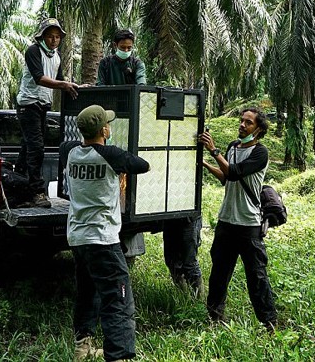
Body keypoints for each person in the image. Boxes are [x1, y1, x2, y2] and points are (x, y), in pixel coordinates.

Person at [96, 28, 203, 297]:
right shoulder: (107, 63)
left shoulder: (137, 63)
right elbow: (100, 88)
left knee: (187, 249)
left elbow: (141, 87)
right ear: (115, 44)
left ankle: (193, 288)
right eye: (122, 45)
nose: (126, 48)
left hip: (133, 111)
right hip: (115, 112)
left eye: (130, 45)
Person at [61, 105, 150, 362]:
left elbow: (74, 146)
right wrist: (117, 154)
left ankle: (82, 347)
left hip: (78, 238)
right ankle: (118, 355)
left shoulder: (70, 152)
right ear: (104, 130)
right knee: (118, 299)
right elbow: (142, 165)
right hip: (103, 238)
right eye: (108, 124)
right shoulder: (110, 155)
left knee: (87, 291)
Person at [198, 107, 277, 332]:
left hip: (248, 224)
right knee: (219, 274)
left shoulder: (260, 153)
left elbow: (234, 172)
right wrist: (206, 165)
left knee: (257, 277)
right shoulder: (233, 147)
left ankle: (269, 323)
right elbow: (226, 177)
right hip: (226, 221)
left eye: (249, 122)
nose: (242, 125)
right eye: (242, 121)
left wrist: (213, 151)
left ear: (259, 129)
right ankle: (214, 318)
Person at [15, 17, 80, 209]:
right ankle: (37, 192)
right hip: (28, 104)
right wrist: (65, 85)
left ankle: (17, 183)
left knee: (28, 147)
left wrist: (74, 86)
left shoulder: (56, 56)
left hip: (43, 104)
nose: (54, 40)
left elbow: (59, 80)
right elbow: (39, 78)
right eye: (50, 36)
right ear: (42, 36)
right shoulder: (33, 51)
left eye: (57, 37)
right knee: (36, 147)